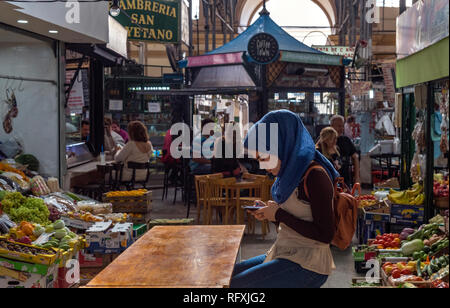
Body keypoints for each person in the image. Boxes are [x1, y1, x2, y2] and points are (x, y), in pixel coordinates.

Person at [230, 110, 339, 288]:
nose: (263, 167)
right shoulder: (287, 175)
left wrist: (279, 214)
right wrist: (270, 213)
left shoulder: (315, 176)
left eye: (264, 158)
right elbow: (291, 225)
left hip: (309, 264)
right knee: (228, 276)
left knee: (236, 286)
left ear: (283, 145)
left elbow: (325, 235)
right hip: (286, 251)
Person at [330, 115, 360, 186]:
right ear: (331, 126)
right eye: (339, 126)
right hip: (329, 181)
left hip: (345, 181)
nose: (341, 128)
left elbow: (355, 157)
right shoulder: (324, 140)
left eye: (342, 126)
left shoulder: (346, 140)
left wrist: (357, 177)